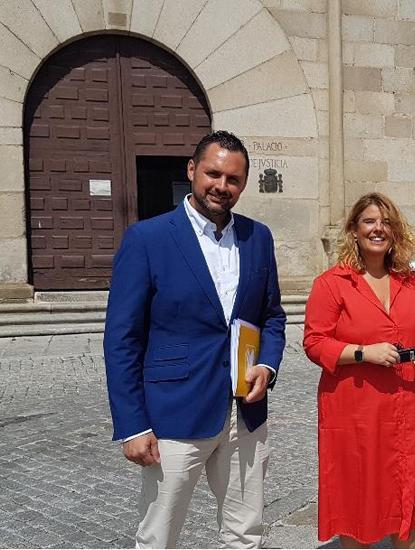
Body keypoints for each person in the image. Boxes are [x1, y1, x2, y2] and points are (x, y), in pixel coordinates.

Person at [104, 130, 287, 548]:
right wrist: (132, 425)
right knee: (158, 536)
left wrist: (268, 364)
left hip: (245, 411)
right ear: (191, 170)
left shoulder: (258, 238)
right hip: (174, 414)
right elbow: (122, 339)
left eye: (233, 179)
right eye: (213, 174)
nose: (222, 187)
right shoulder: (147, 239)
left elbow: (272, 316)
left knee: (246, 533)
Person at [303, 193, 415, 548]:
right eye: (369, 222)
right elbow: (314, 343)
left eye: (386, 222)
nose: (378, 229)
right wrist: (363, 353)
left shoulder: (407, 281)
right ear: (354, 230)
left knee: (406, 482)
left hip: (404, 403)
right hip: (355, 408)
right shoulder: (332, 284)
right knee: (358, 488)